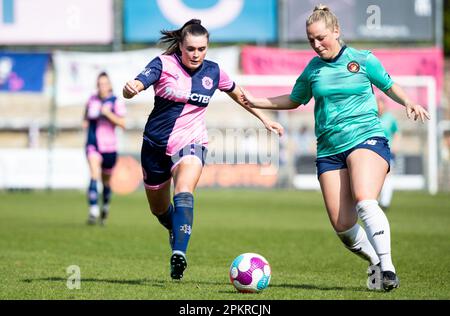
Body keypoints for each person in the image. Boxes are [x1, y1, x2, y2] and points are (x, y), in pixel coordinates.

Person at [241, 5, 430, 291]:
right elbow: (294, 99)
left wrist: (409, 102)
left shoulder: (362, 60)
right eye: (311, 40)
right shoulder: (313, 69)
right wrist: (256, 102)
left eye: (321, 38)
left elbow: (389, 85)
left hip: (366, 137)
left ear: (336, 32)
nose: (317, 45)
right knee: (343, 227)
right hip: (329, 150)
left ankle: (388, 267)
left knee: (365, 199)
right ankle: (375, 262)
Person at [122, 19, 283, 280]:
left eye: (202, 49)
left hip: (192, 143)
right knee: (159, 211)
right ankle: (174, 228)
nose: (196, 54)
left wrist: (264, 118)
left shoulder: (213, 72)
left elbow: (240, 94)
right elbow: (137, 84)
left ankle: (179, 254)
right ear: (181, 47)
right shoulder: (163, 64)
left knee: (184, 191)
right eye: (191, 49)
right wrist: (131, 89)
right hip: (154, 146)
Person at [83, 71, 126, 226]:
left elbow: (122, 123)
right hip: (93, 144)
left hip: (110, 147)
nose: (102, 86)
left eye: (105, 84)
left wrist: (108, 114)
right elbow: (85, 120)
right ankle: (93, 210)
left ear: (109, 85)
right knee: (94, 174)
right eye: (100, 84)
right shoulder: (91, 100)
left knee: (106, 181)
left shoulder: (115, 101)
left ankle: (105, 206)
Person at [377, 97, 399, 211]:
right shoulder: (372, 117)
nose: (379, 107)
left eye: (381, 105)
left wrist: (396, 146)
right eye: (377, 105)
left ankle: (385, 202)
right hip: (374, 151)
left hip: (387, 150)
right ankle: (375, 200)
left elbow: (396, 132)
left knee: (387, 175)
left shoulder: (390, 119)